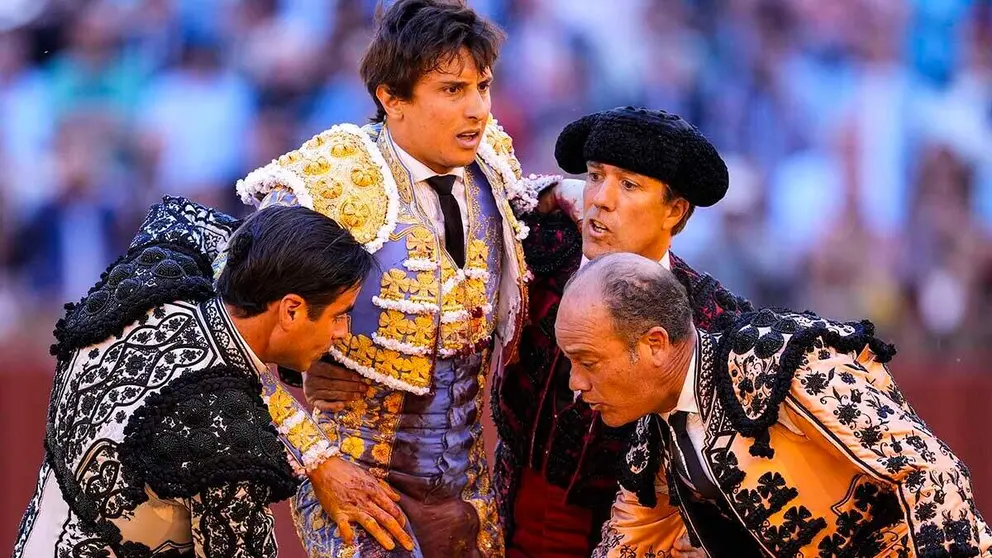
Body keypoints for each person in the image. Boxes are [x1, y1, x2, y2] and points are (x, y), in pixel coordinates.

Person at [232, 1, 562, 555]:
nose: (478, 110)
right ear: (390, 98)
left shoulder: (492, 166)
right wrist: (317, 460)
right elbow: (227, 328)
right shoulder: (334, 180)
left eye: (482, 87)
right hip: (360, 480)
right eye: (452, 90)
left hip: (468, 492)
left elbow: (530, 208)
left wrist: (568, 193)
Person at [11, 198, 389, 557]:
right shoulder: (229, 436)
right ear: (291, 310)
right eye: (338, 315)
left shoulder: (149, 288)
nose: (342, 333)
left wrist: (273, 259)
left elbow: (177, 216)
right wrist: (318, 455)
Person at [557, 252, 992, 557]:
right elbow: (628, 547)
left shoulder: (780, 359)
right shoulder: (653, 436)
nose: (575, 383)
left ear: (655, 344)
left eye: (587, 361)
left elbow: (928, 470)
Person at [483, 107, 749, 556]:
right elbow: (464, 209)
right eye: (594, 176)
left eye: (629, 185)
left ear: (675, 210)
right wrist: (553, 190)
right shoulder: (535, 249)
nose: (601, 199)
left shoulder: (712, 320)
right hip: (497, 531)